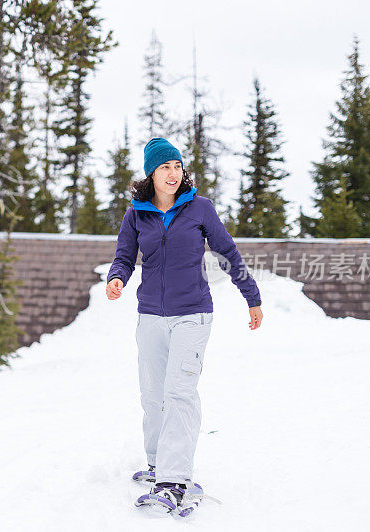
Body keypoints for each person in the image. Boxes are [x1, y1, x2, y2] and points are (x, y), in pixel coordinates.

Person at [106, 137, 263, 517]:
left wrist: (252, 296)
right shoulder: (136, 215)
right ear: (151, 174)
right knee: (153, 394)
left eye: (177, 166)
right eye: (165, 167)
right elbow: (125, 256)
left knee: (179, 392)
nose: (173, 173)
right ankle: (159, 463)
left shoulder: (199, 209)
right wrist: (116, 279)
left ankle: (175, 481)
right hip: (150, 316)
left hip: (192, 313)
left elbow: (228, 251)